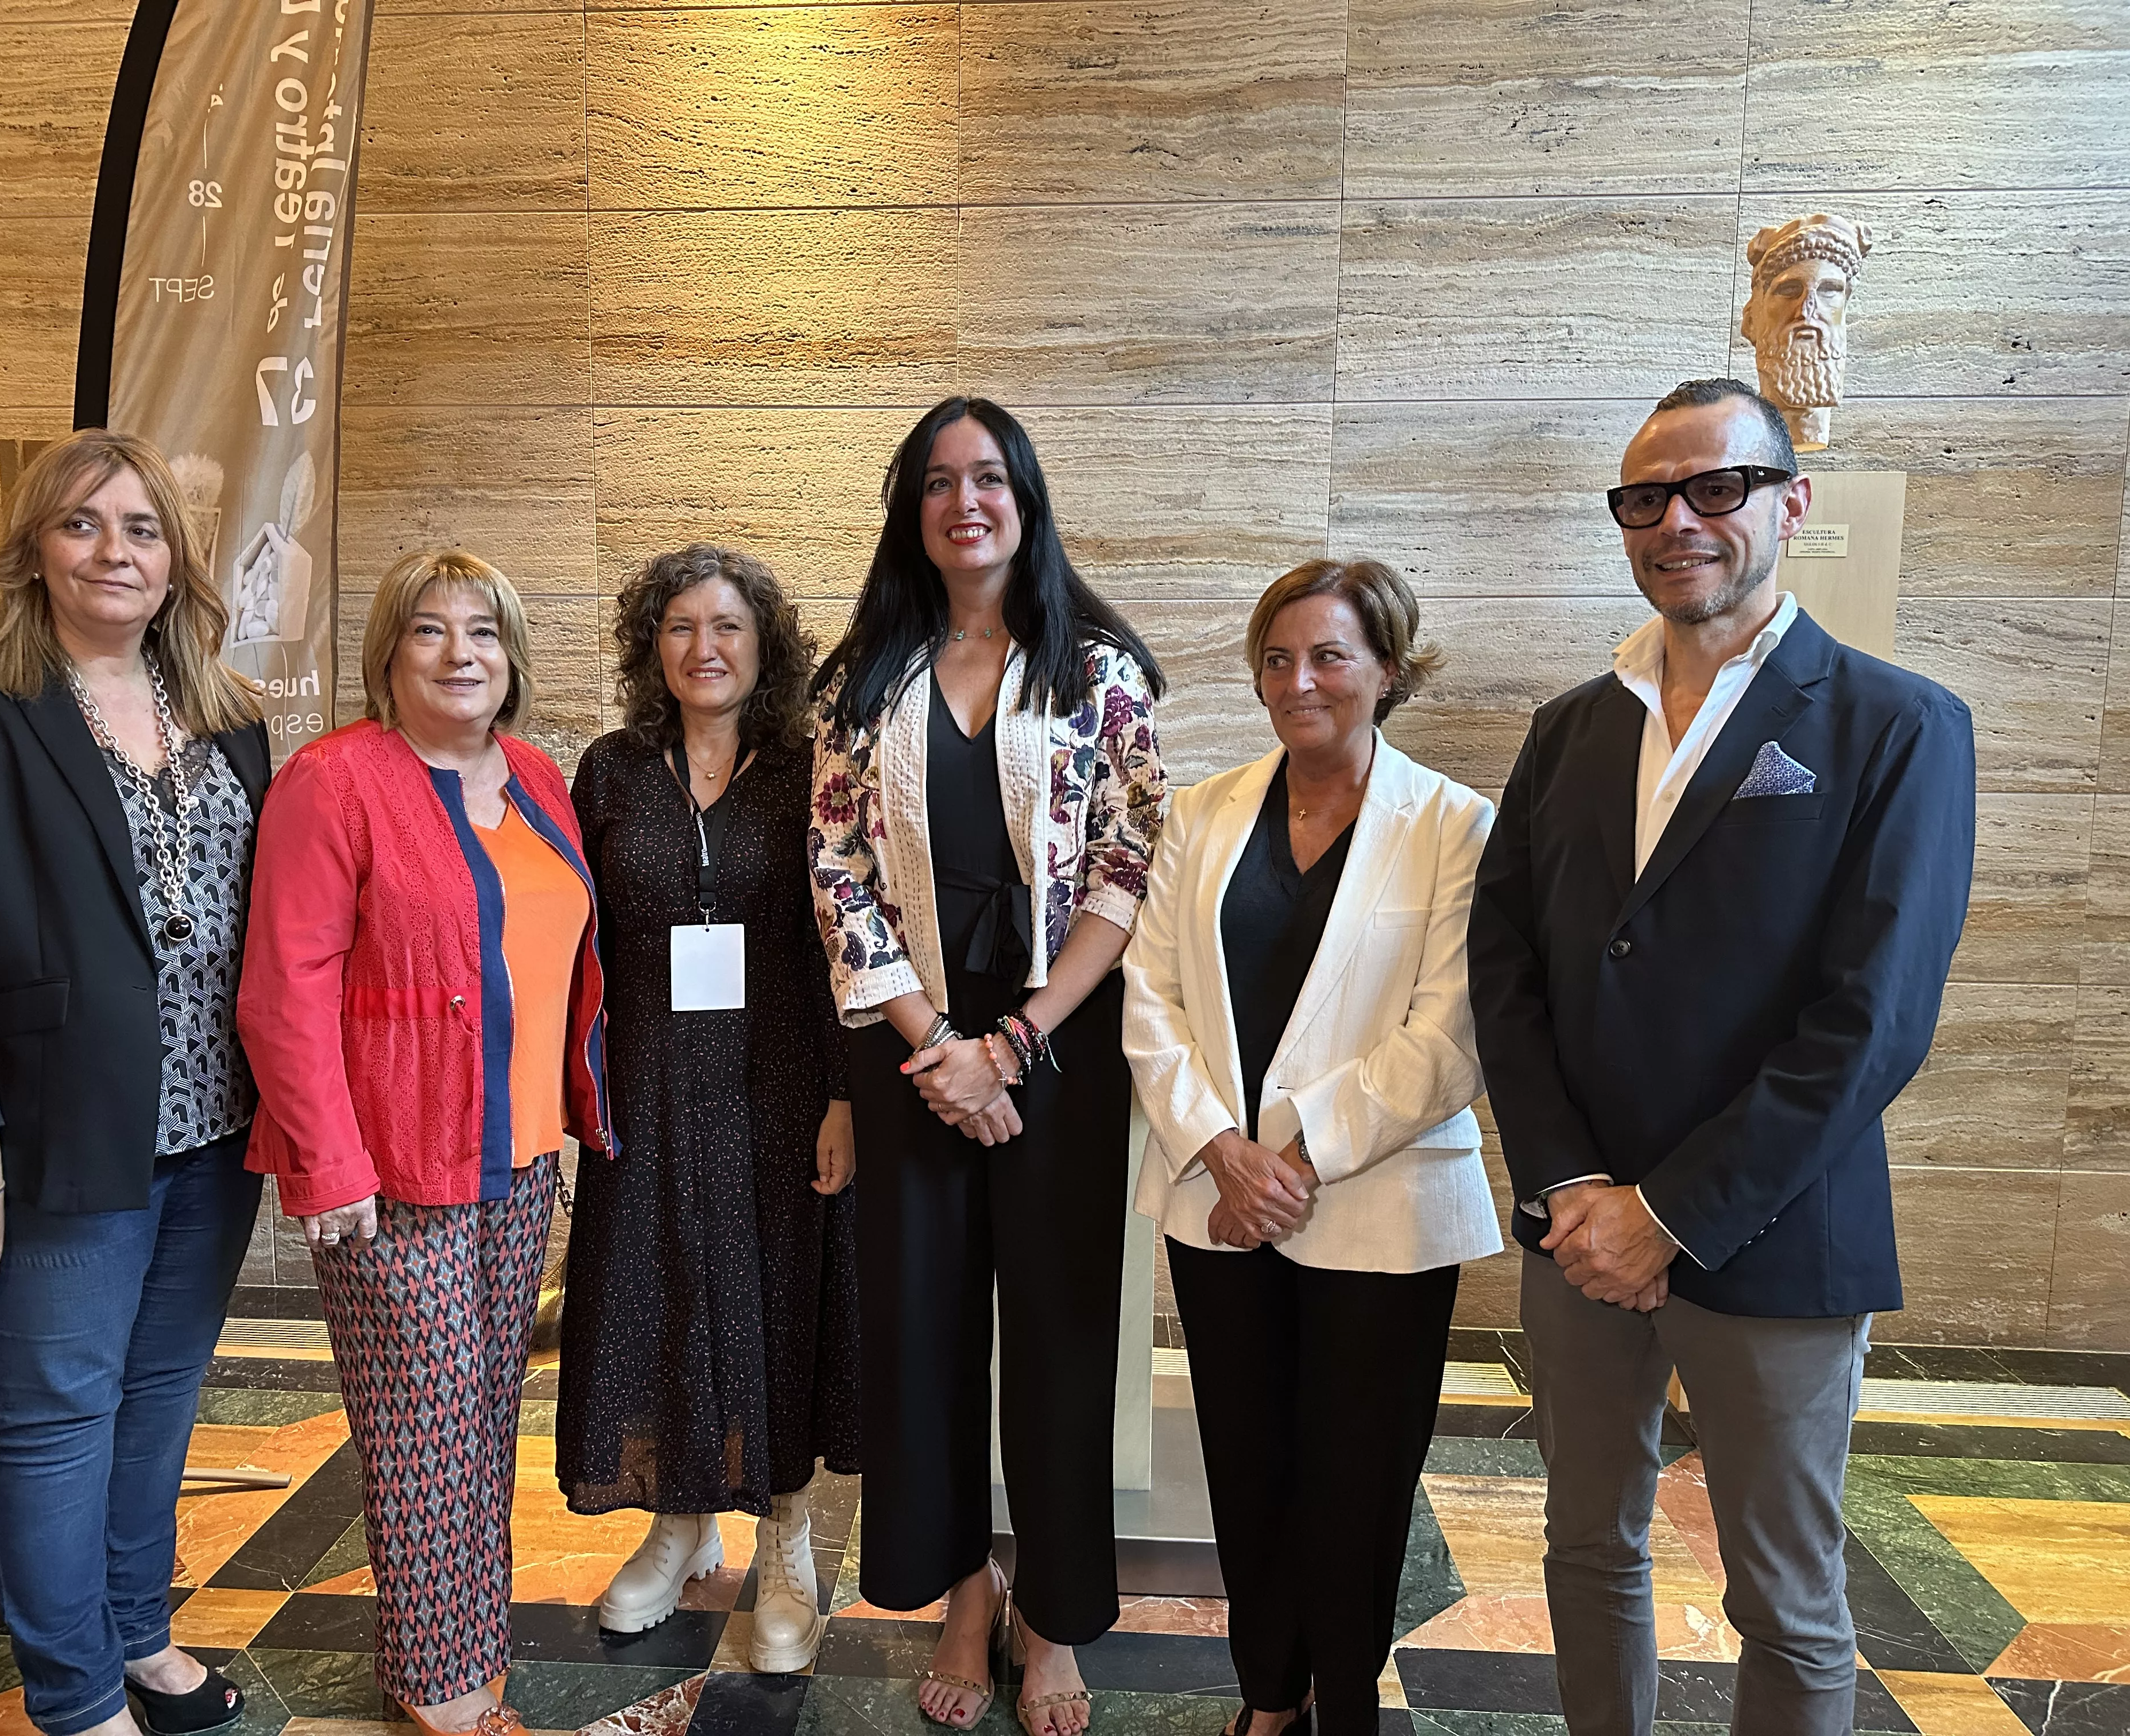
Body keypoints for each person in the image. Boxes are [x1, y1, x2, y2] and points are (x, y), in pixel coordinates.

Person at [1467, 378, 1976, 1736]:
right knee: (1587, 1552)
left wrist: (1671, 1214)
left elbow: (1873, 1020)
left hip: (1776, 1239)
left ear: (1791, 504)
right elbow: (1504, 968)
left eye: (1716, 488)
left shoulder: (1896, 727)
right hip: (1577, 1236)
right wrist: (1573, 1186)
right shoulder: (1571, 728)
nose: (1677, 520)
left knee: (1786, 1600)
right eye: (1645, 497)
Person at [0, 431, 269, 1736]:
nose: (115, 551)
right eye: (84, 525)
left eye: (142, 529)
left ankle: (137, 1634)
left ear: (178, 561)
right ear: (34, 547)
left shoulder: (230, 714)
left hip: (213, 1137)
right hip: (47, 1146)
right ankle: (74, 1695)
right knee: (49, 1424)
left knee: (155, 1403)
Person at [810, 397, 1168, 1735]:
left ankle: (1058, 1617)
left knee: (1066, 1337)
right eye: (939, 482)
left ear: (1025, 497)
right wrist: (939, 1048)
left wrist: (1016, 1040)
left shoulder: (1100, 668)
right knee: (924, 1338)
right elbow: (838, 871)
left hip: (1060, 1050)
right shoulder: (864, 677)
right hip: (914, 1057)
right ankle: (967, 1594)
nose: (967, 501)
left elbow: (1132, 866)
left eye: (990, 478)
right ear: (914, 511)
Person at [1122, 559, 1503, 1736]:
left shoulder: (1452, 825)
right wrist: (1220, 1153)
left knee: (1358, 1481)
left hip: (1379, 1208)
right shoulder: (1201, 812)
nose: (1300, 682)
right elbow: (1148, 995)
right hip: (1221, 1205)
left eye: (1330, 656)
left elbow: (1447, 1036)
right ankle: (1267, 1694)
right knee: (1248, 1468)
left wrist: (1285, 1152)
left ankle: (1347, 1699)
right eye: (1278, 660)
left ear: (1387, 670)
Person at [239, 548, 612, 1736]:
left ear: (513, 659)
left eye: (485, 634)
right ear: (386, 656)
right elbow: (281, 989)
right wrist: (326, 1160)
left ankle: (464, 1647)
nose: (461, 655)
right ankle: (442, 1689)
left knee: (486, 1413)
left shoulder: (541, 779)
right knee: (421, 1424)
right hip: (392, 1165)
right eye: (431, 632)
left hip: (519, 1159)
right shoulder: (334, 779)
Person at [559, 544, 857, 1672]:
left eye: (726, 626)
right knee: (657, 1294)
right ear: (654, 646)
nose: (704, 647)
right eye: (680, 626)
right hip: (647, 1089)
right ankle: (681, 1525)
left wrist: (845, 1094)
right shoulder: (611, 771)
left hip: (778, 1087)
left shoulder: (810, 768)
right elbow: (575, 939)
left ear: (764, 643)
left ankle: (784, 1538)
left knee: (775, 1301)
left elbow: (843, 943)